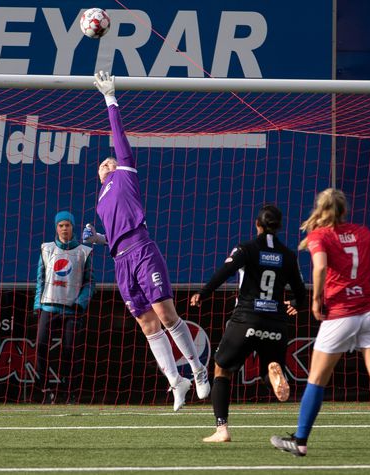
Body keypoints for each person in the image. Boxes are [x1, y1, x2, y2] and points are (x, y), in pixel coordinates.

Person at [82, 71, 210, 411]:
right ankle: (175, 381)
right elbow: (113, 233)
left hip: (141, 250)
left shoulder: (125, 173)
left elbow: (119, 138)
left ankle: (197, 369)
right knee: (145, 322)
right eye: (101, 164)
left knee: (167, 315)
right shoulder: (101, 200)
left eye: (109, 160)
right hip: (120, 260)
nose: (106, 162)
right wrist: (98, 238)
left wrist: (110, 99)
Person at [270, 188, 370, 459]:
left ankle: (300, 441)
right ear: (344, 210)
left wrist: (315, 300)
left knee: (317, 379)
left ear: (320, 210)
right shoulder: (363, 232)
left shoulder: (319, 235)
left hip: (341, 314)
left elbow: (320, 267)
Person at [191, 204, 307, 442]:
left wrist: (203, 293)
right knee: (267, 369)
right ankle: (274, 372)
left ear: (257, 224)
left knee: (222, 368)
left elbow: (225, 271)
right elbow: (301, 293)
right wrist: (295, 302)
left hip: (246, 318)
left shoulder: (246, 248)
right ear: (279, 227)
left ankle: (222, 429)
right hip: (276, 323)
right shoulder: (288, 255)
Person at [34, 211, 95, 404]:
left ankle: (71, 392)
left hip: (72, 310)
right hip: (48, 307)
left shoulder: (84, 252)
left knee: (71, 352)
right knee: (41, 348)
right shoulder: (46, 249)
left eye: (67, 225)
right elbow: (40, 279)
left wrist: (81, 302)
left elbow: (90, 282)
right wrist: (38, 304)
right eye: (60, 225)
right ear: (56, 227)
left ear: (73, 227)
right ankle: (43, 391)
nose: (64, 228)